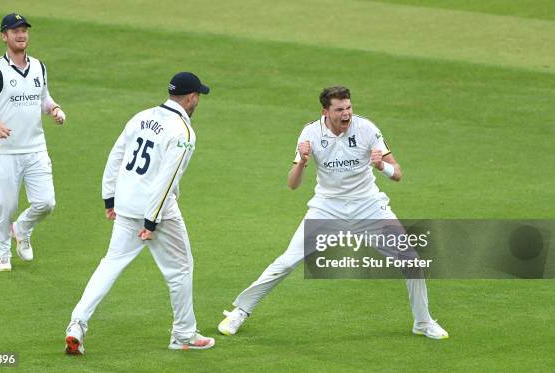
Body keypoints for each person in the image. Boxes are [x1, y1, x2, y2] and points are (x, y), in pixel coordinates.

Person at [218, 86, 449, 340]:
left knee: (412, 261)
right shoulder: (310, 133)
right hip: (327, 208)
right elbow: (293, 184)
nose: (346, 114)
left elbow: (398, 174)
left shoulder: (367, 129)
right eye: (340, 109)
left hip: (368, 206)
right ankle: (240, 311)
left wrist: (381, 165)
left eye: (349, 107)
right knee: (286, 262)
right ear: (325, 112)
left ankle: (423, 322)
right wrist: (303, 162)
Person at [65, 72, 215, 354]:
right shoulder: (183, 132)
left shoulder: (141, 116)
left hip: (125, 202)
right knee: (180, 268)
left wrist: (109, 198)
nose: (197, 101)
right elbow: (167, 180)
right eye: (198, 96)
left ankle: (77, 325)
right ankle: (183, 334)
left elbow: (116, 156)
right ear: (191, 97)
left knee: (110, 263)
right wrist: (151, 221)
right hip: (155, 210)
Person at [0, 13, 66, 272]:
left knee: (46, 203)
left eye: (24, 30)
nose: (21, 34)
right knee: (7, 205)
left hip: (36, 148)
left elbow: (43, 97)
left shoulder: (39, 67)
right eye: (15, 31)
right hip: (6, 152)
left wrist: (54, 109)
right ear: (4, 36)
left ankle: (21, 229)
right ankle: (2, 253)